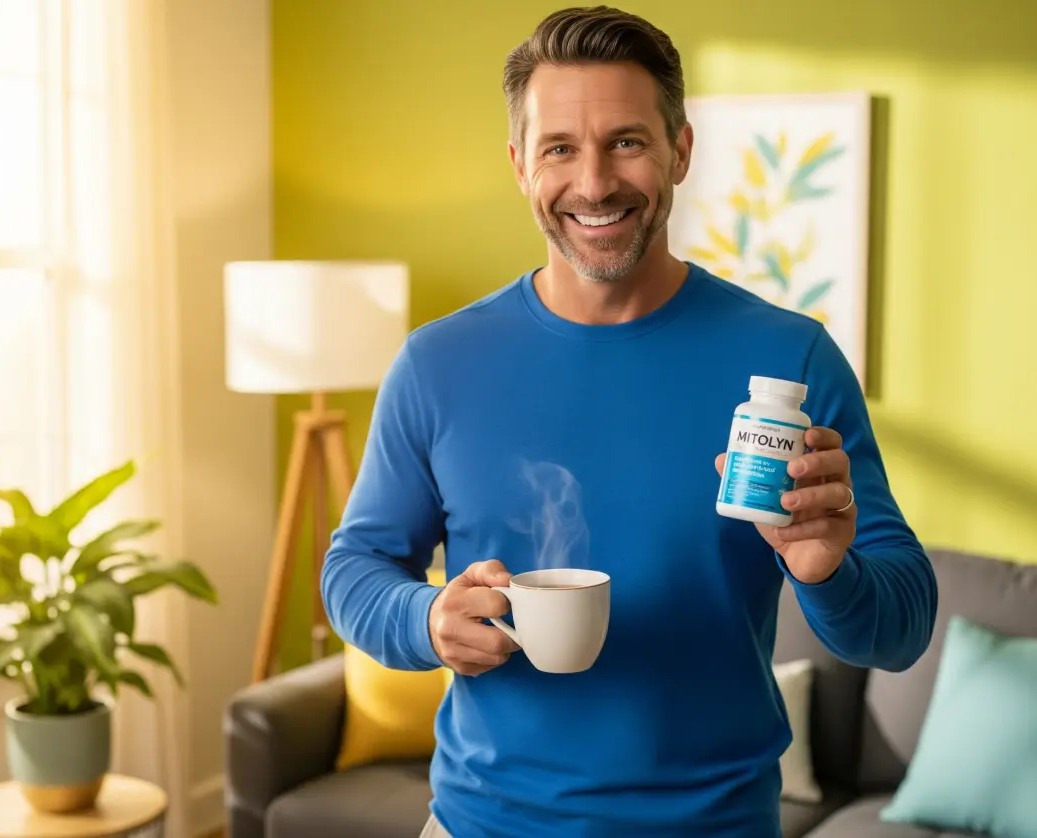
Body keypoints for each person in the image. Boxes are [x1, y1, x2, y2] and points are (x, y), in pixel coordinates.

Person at [320, 6, 938, 837]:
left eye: (627, 142)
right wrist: (425, 620)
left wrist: (827, 573)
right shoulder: (437, 363)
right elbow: (354, 567)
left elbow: (899, 630)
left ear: (681, 151)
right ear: (519, 165)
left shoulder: (789, 362)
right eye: (560, 149)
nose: (594, 183)